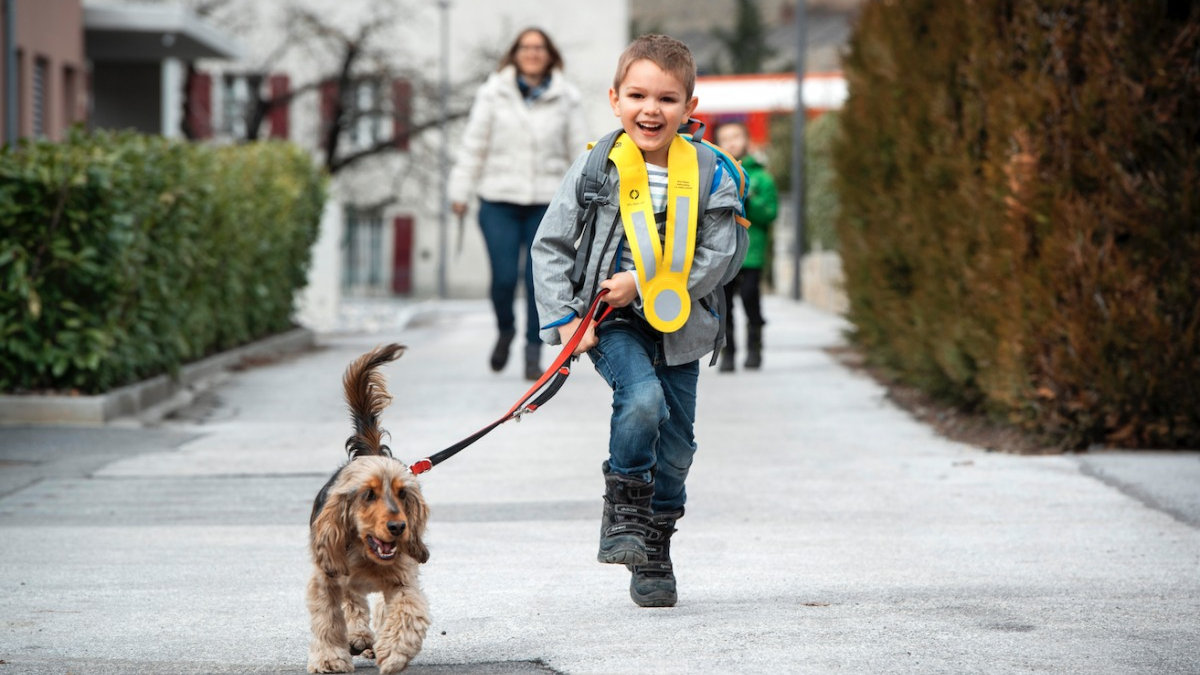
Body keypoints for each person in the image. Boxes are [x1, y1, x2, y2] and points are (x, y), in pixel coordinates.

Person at [531, 34, 747, 608]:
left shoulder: (712, 171)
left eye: (668, 99)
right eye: (638, 95)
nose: (651, 109)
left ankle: (654, 547)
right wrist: (567, 321)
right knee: (642, 400)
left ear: (690, 108)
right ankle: (624, 513)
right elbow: (550, 244)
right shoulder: (597, 164)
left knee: (677, 449)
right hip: (612, 318)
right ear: (615, 99)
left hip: (683, 324)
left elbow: (721, 255)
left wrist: (648, 284)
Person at [449, 28, 590, 380]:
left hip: (547, 202)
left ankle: (532, 351)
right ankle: (505, 329)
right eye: (525, 47)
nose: (532, 53)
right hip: (498, 198)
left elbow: (580, 153)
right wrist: (459, 192)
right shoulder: (492, 93)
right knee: (503, 277)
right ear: (514, 53)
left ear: (549, 53)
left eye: (539, 47)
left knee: (536, 280)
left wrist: (589, 197)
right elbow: (473, 145)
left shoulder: (566, 97)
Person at [714, 121, 778, 371]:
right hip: (724, 252)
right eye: (725, 138)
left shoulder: (762, 177)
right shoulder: (716, 176)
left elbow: (770, 214)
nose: (731, 142)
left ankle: (755, 347)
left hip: (752, 252)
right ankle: (728, 353)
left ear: (747, 140)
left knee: (751, 298)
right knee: (724, 305)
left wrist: (750, 198)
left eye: (736, 136)